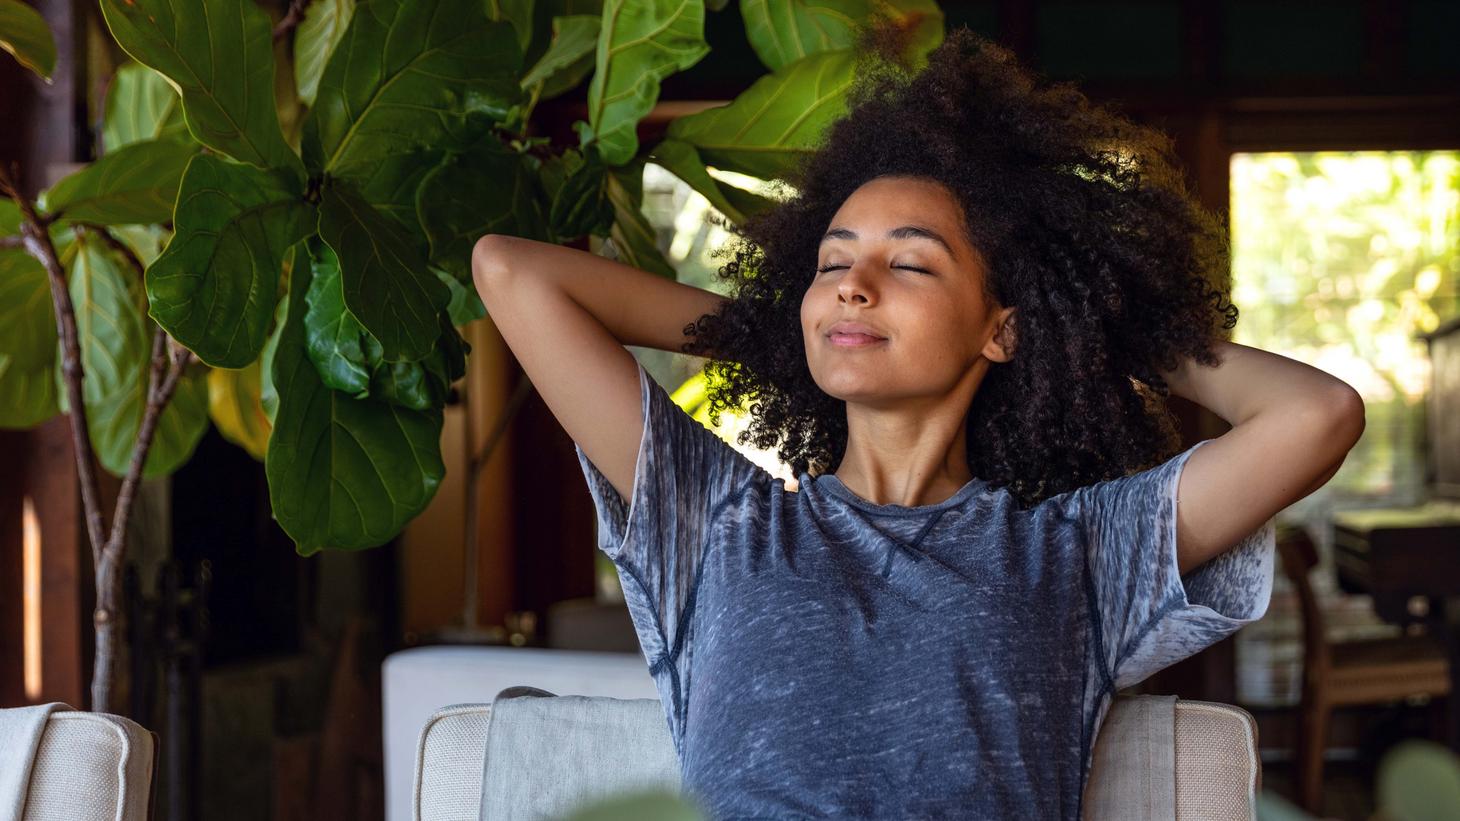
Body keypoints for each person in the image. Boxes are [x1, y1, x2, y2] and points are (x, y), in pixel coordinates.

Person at [471, 23, 1365, 821]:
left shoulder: (1083, 554)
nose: (855, 284)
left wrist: (1089, 324)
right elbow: (510, 271)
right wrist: (778, 329)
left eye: (911, 264)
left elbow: (1318, 413)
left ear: (1001, 326)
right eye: (831, 264)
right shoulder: (719, 521)